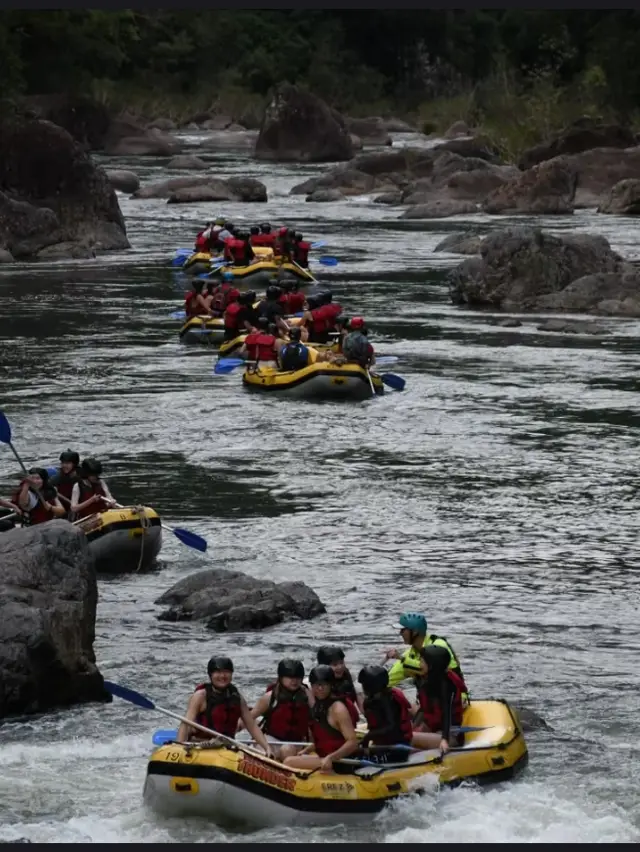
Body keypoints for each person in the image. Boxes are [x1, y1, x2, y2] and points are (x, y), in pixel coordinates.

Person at [176, 656, 274, 757]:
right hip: (201, 745)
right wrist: (178, 747)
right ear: (211, 675)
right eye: (218, 672)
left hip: (225, 747)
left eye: (226, 672)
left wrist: (266, 747)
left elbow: (252, 726)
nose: (222, 676)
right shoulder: (200, 696)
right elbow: (186, 723)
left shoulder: (238, 698)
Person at [283, 665, 359, 773]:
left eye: (324, 685)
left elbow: (352, 742)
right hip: (325, 757)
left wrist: (331, 758)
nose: (320, 689)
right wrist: (307, 750)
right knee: (291, 756)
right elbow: (325, 741)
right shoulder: (318, 706)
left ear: (331, 685)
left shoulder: (338, 709)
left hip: (341, 761)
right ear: (312, 686)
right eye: (317, 685)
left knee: (288, 762)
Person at [384, 612, 467, 703]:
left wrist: (401, 659)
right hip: (431, 702)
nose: (400, 633)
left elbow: (429, 668)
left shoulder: (438, 646)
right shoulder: (410, 656)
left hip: (454, 698)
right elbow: (388, 679)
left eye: (403, 630)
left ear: (415, 631)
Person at [248, 659, 310, 760]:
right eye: (290, 677)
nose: (294, 681)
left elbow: (318, 718)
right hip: (271, 739)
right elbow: (248, 719)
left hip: (296, 743)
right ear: (281, 678)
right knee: (262, 751)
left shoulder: (307, 696)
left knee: (287, 750)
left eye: (297, 677)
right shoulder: (270, 697)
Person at [411, 645, 468, 752]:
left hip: (448, 735)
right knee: (411, 709)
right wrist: (413, 727)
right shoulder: (431, 681)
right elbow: (424, 709)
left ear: (432, 665)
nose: (419, 664)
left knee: (410, 737)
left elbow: (446, 713)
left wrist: (444, 740)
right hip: (433, 728)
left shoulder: (446, 685)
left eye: (422, 662)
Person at [357, 665, 414, 749]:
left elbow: (391, 727)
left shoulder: (389, 701)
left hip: (398, 744)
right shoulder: (371, 700)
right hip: (383, 742)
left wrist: (369, 736)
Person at [316, 646, 363, 715]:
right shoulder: (315, 685)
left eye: (341, 663)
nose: (340, 667)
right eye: (335, 664)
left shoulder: (349, 677)